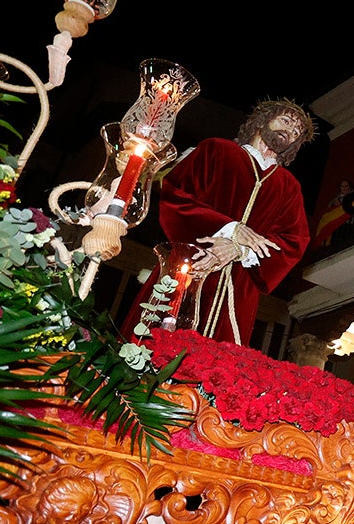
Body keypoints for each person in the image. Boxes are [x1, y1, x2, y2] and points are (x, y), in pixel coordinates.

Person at [129, 99, 314, 345]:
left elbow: (294, 240)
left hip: (239, 288)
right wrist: (230, 229)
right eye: (286, 121)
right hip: (190, 264)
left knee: (219, 366)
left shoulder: (289, 187)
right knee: (157, 343)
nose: (290, 131)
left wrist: (241, 249)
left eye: (296, 132)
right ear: (263, 120)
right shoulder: (215, 150)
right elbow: (176, 194)